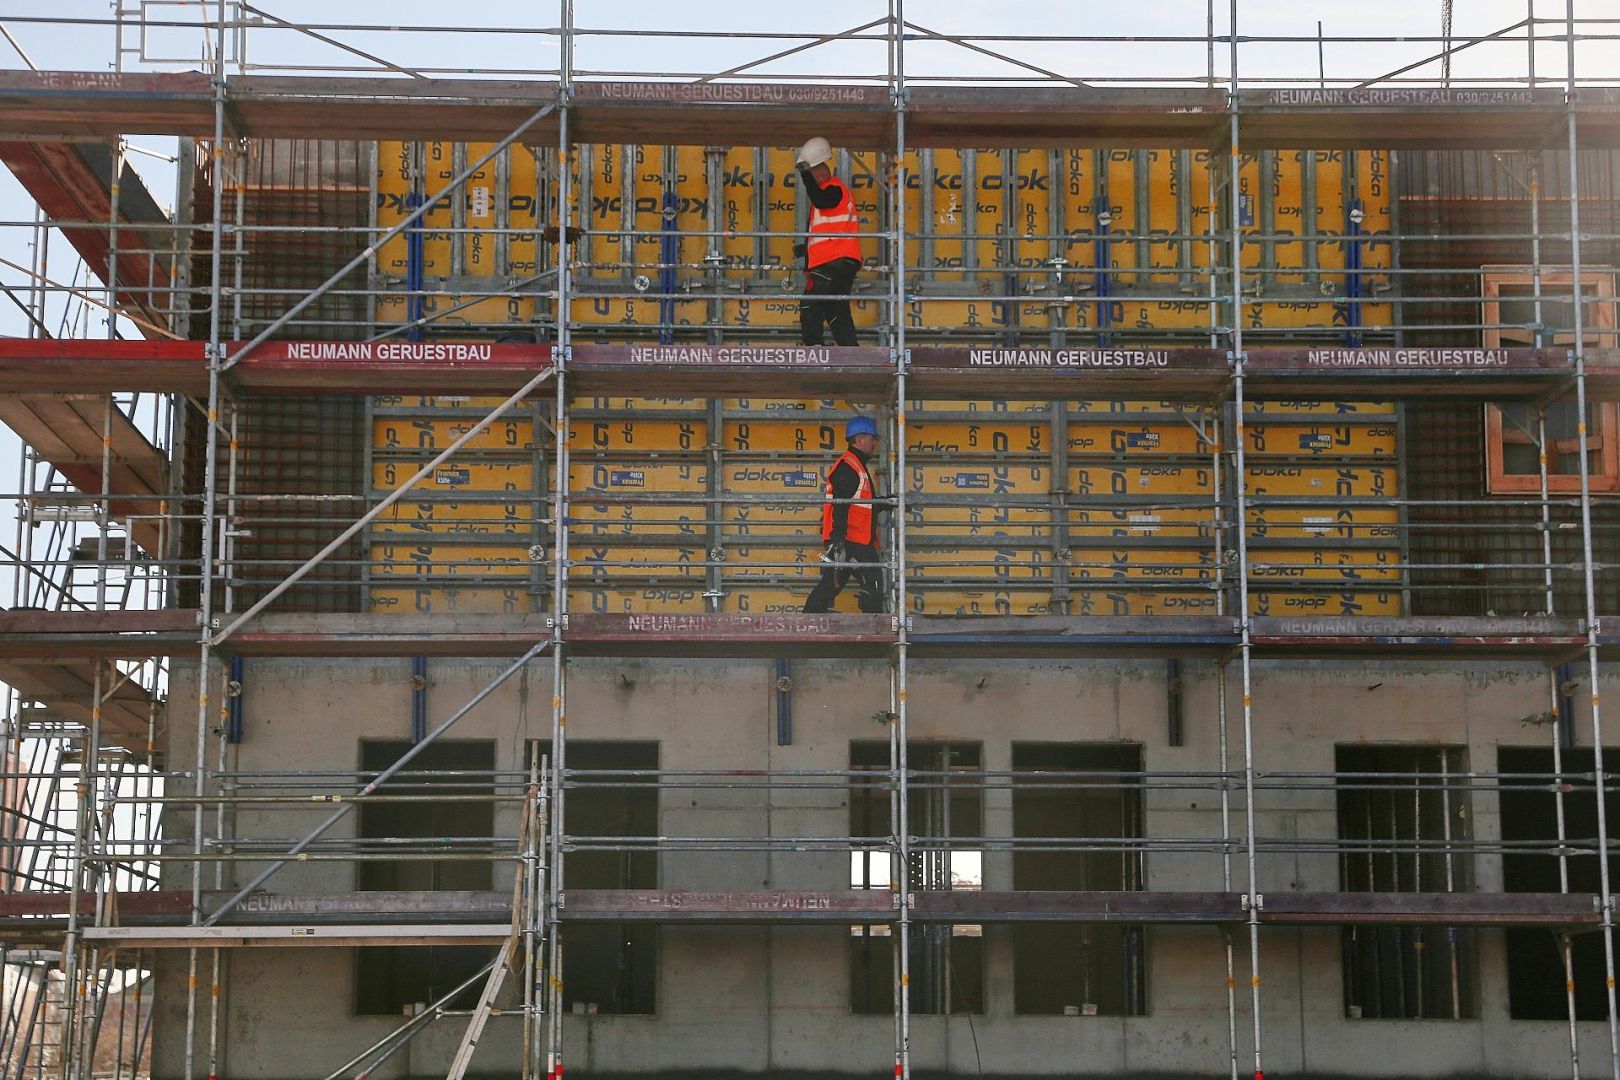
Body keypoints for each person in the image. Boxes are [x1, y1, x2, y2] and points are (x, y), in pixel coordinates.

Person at [804, 415, 886, 614]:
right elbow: (840, 504)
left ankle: (806, 622)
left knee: (831, 586)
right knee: (872, 585)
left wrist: (886, 502)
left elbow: (862, 504)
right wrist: (838, 539)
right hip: (851, 541)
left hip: (852, 540)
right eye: (872, 439)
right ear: (859, 439)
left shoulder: (855, 465)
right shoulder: (849, 465)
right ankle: (872, 630)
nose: (874, 443)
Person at [794, 137, 862, 347]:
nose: (811, 182)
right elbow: (829, 230)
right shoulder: (836, 194)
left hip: (834, 260)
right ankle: (850, 351)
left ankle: (813, 347)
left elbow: (820, 199)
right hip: (841, 260)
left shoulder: (834, 189)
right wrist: (805, 250)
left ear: (821, 173)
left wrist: (805, 173)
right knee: (836, 309)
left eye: (813, 176)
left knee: (811, 304)